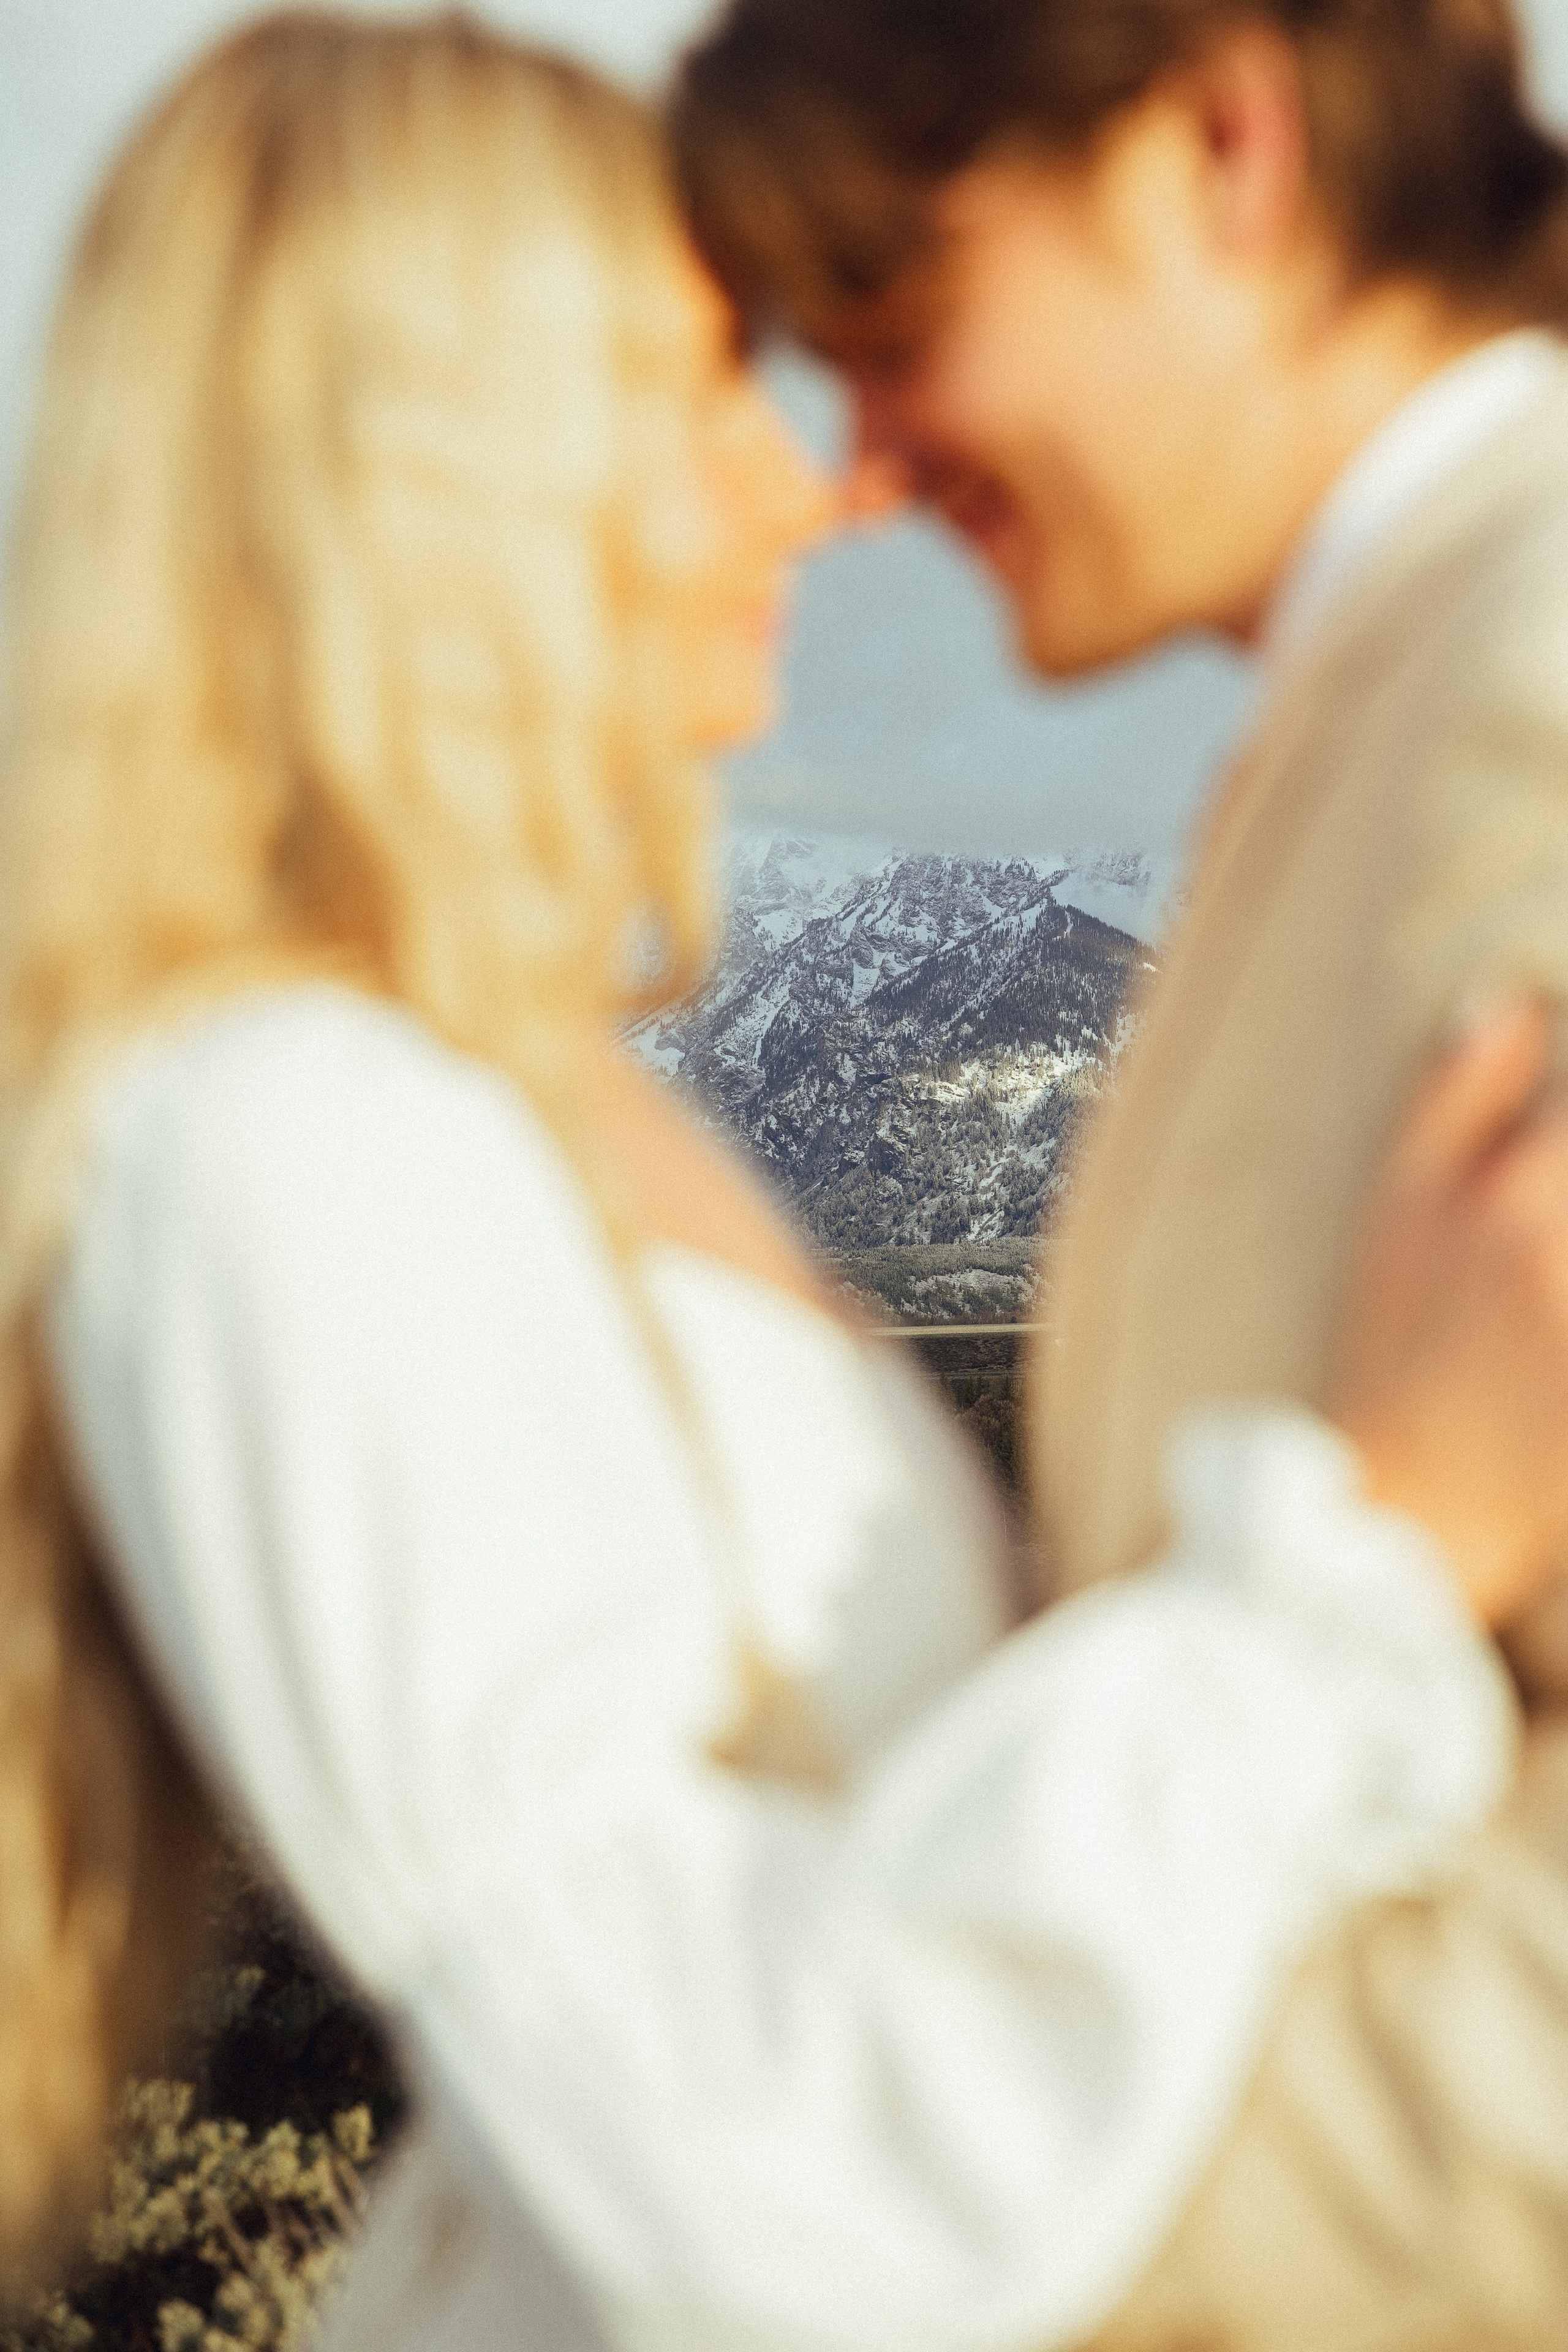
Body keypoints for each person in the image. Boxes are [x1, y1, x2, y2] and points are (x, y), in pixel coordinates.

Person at [4, 10, 1568, 2350]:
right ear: (435, 463)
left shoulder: (509, 1096)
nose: (814, 476)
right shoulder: (278, 1128)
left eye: (852, 336)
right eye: (704, 382)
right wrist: (1376, 1552)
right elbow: (707, 2138)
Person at [671, 0, 1568, 2341]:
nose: (856, 460)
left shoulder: (1541, 665)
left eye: (896, 311)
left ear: (1222, 148)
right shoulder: (1405, 666)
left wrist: (955, 2237)